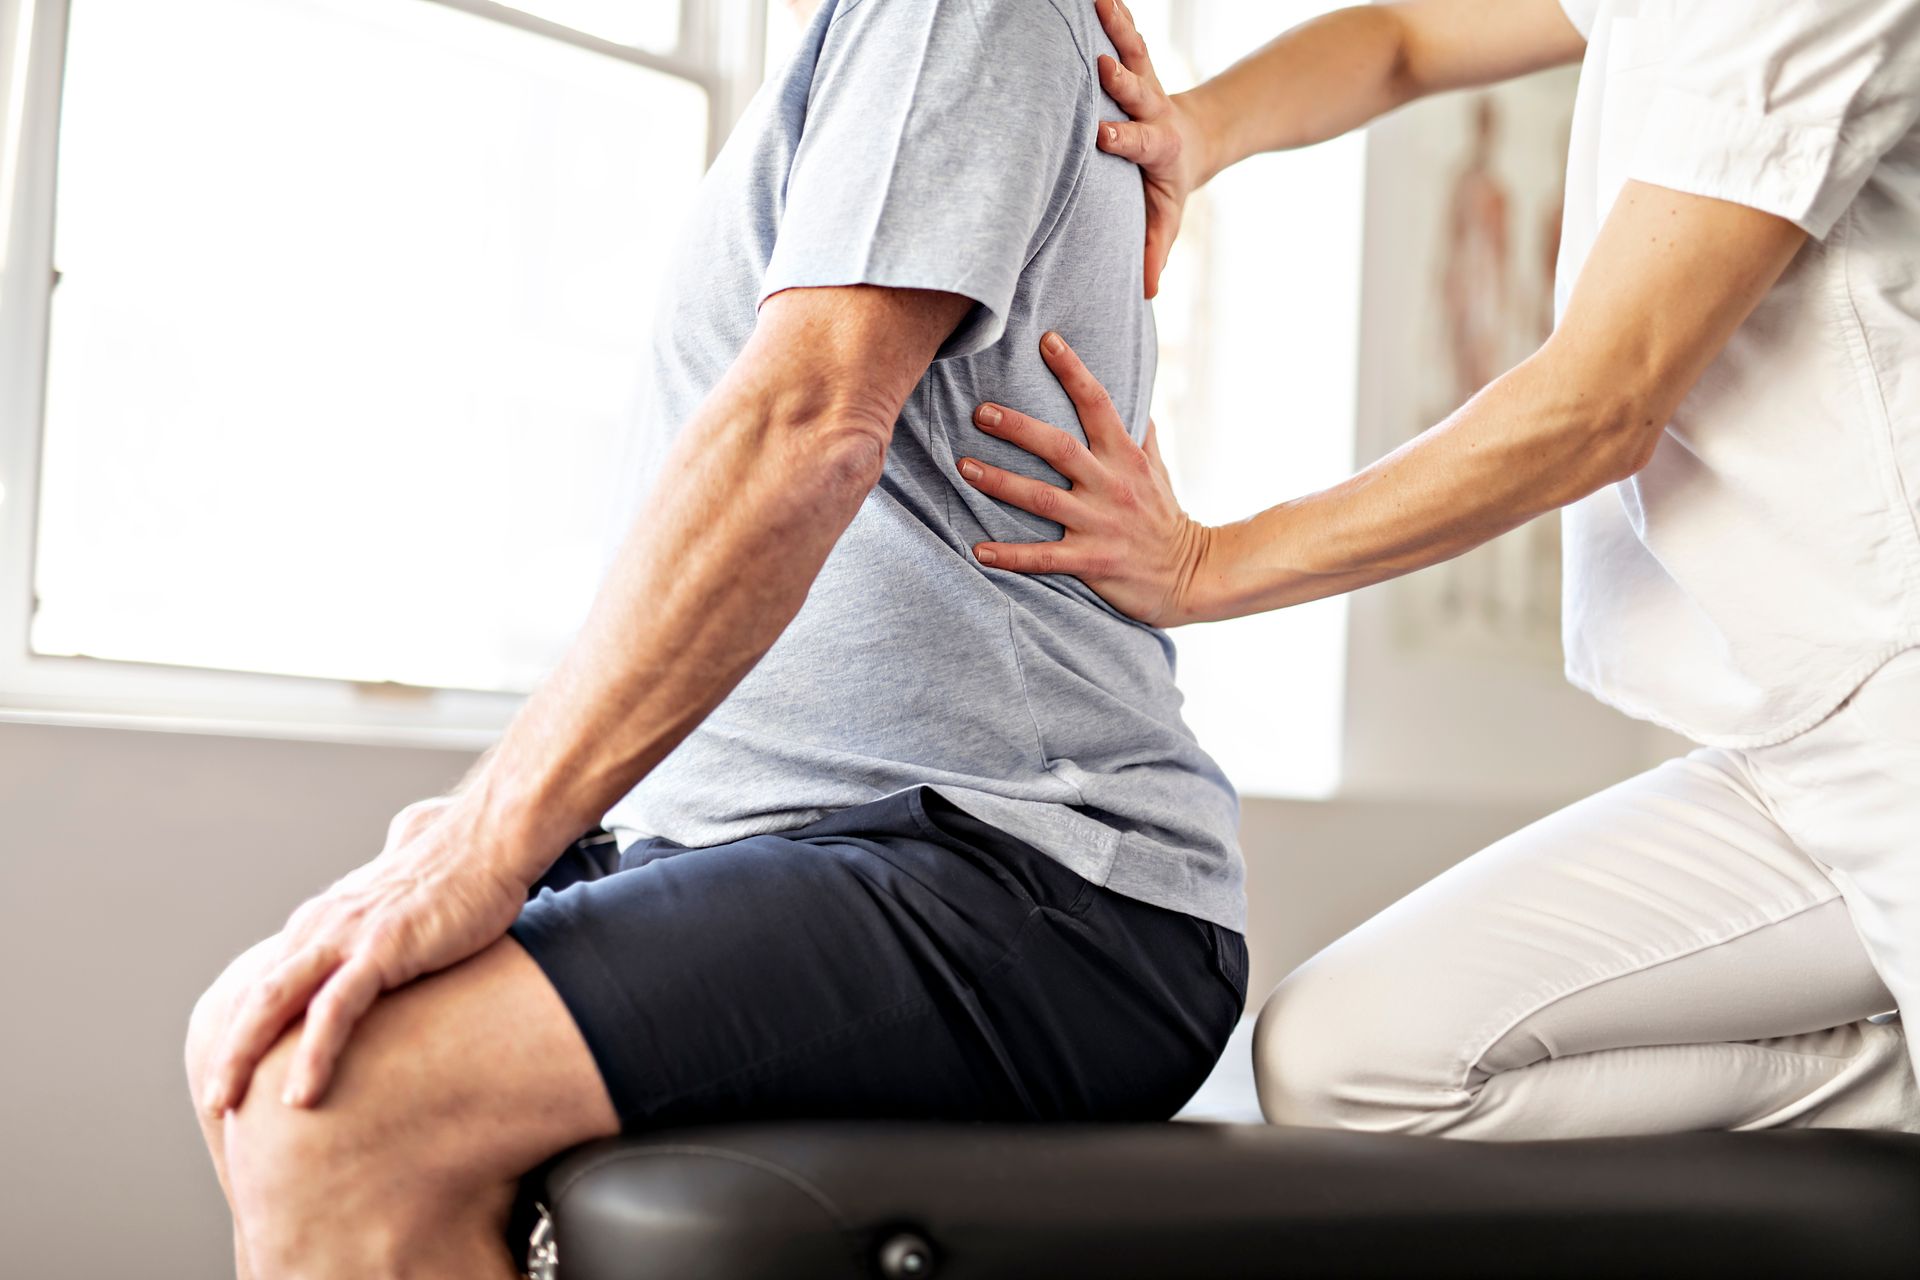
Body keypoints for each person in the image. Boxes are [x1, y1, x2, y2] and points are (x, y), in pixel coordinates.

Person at [181, 1, 1250, 1274]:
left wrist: (492, 836)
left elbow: (806, 428)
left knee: (341, 1100)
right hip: (801, 831)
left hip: (1034, 863)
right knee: (254, 1032)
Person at [960, 0, 1920, 1137]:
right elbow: (1406, 36)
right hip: (1787, 731)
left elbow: (1599, 406)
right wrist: (1196, 129)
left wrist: (1207, 564)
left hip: (1889, 693)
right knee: (1346, 1057)